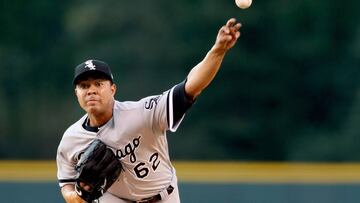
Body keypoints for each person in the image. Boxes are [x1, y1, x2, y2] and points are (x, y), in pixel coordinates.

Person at [56, 18, 241, 203]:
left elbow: (191, 87)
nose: (91, 90)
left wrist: (218, 50)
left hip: (162, 196)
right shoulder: (71, 139)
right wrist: (76, 197)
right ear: (76, 93)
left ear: (113, 89)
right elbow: (66, 182)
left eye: (98, 84)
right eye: (84, 86)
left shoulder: (142, 113)